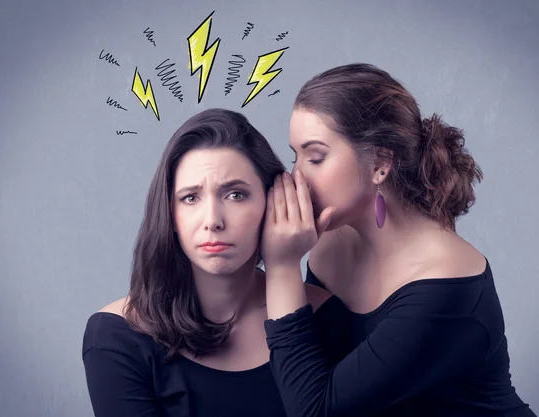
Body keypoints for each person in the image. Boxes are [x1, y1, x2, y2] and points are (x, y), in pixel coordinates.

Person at [260, 64, 537, 417]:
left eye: (315, 157)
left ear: (380, 162)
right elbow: (307, 366)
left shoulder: (447, 285)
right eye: (294, 156)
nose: (298, 176)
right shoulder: (331, 242)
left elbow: (316, 410)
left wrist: (282, 267)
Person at [81, 108, 345, 417]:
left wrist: (284, 264)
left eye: (235, 195)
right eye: (190, 198)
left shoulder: (325, 315)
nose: (213, 221)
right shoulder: (117, 337)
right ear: (171, 215)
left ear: (273, 203)